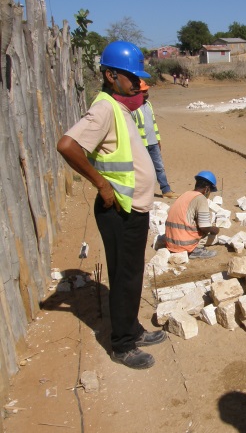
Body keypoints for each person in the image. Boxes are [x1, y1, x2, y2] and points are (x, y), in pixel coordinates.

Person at [56, 41, 165, 370]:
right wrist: (101, 184)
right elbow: (67, 145)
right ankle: (121, 345)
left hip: (134, 209)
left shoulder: (119, 108)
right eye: (132, 78)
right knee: (124, 276)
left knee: (131, 274)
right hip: (120, 209)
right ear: (111, 75)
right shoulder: (103, 107)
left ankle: (132, 329)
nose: (136, 84)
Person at [132, 80, 177, 199]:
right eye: (143, 91)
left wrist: (158, 138)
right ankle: (142, 193)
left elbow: (153, 123)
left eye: (146, 91)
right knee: (143, 170)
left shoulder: (149, 105)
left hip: (153, 142)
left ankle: (166, 190)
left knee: (159, 167)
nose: (146, 93)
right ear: (137, 92)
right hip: (140, 145)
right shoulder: (132, 108)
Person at [165, 171, 220, 259]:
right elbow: (204, 227)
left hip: (170, 242)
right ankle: (196, 250)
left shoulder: (185, 194)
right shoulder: (201, 198)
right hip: (184, 244)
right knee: (212, 236)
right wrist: (215, 230)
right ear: (207, 189)